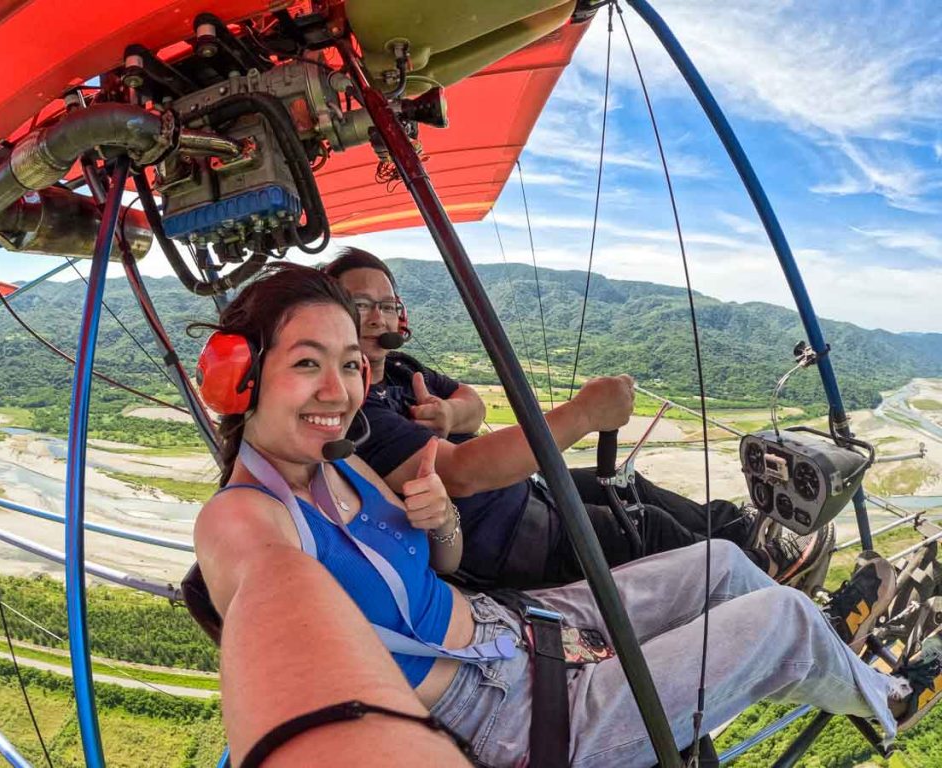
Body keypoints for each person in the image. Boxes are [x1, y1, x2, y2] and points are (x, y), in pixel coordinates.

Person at [193, 263, 941, 768]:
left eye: (351, 363)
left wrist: (440, 519)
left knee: (721, 563)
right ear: (240, 376)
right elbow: (279, 619)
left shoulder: (341, 462)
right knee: (782, 619)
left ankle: (826, 664)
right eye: (305, 363)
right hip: (503, 709)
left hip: (513, 624)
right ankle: (885, 700)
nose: (339, 390)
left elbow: (443, 560)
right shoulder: (243, 520)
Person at [323, 248, 834, 589]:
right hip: (505, 543)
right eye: (359, 305)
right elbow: (462, 471)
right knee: (646, 526)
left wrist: (450, 410)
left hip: (523, 498)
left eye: (386, 305)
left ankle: (745, 533)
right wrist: (585, 412)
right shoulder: (357, 412)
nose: (377, 318)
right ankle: (769, 576)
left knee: (630, 485)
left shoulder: (401, 374)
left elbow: (471, 402)